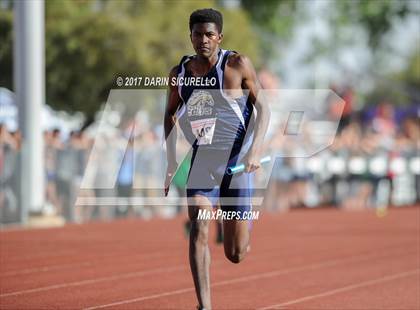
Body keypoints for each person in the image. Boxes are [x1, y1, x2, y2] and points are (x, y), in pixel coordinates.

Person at [163, 8, 270, 310]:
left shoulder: (236, 65)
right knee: (198, 226)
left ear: (220, 37)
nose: (203, 40)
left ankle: (238, 219)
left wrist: (255, 149)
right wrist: (172, 162)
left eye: (210, 34)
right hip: (204, 161)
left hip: (237, 164)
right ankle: (205, 306)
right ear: (191, 37)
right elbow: (169, 114)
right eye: (198, 34)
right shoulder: (180, 74)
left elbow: (264, 108)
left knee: (236, 253)